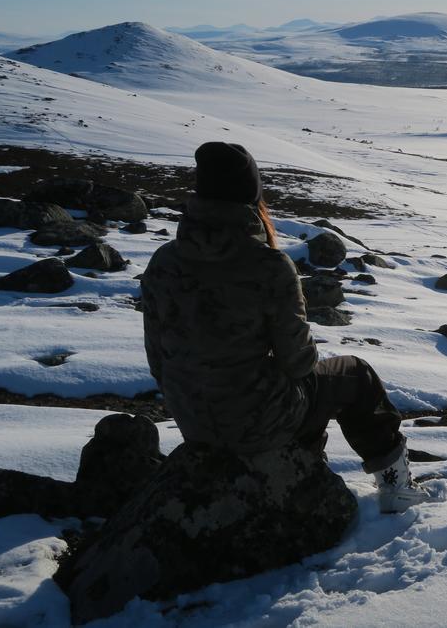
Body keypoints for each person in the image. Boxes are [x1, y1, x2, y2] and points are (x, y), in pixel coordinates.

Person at [139, 141, 431, 513]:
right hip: (255, 423)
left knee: (293, 390)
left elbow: (157, 362)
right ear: (250, 195)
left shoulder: (164, 261)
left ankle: (303, 466)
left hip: (192, 421)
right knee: (355, 376)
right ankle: (397, 486)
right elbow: (299, 364)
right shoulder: (268, 266)